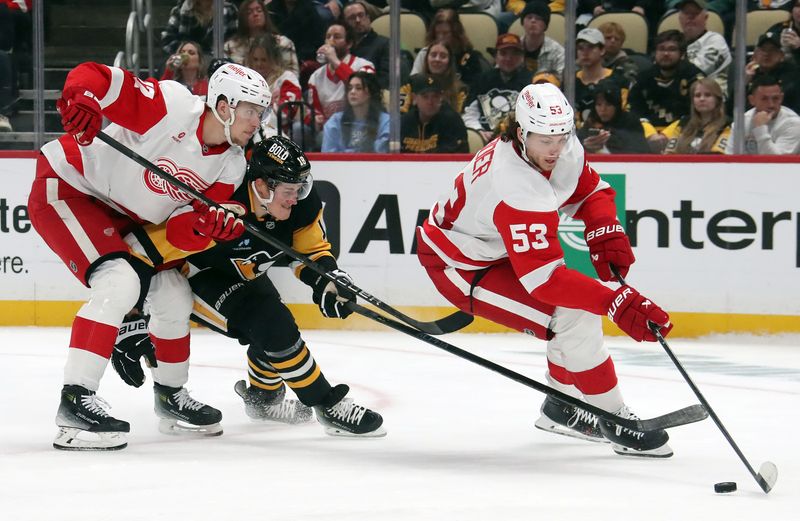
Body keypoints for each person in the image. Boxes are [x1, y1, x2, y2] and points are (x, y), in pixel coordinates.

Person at [416, 82, 675, 458]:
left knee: (573, 313)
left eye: (562, 136)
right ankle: (612, 416)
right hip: (461, 265)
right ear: (521, 133)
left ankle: (563, 406)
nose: (555, 149)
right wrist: (615, 301)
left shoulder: (554, 146)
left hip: (497, 248)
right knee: (575, 315)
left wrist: (606, 227)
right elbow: (546, 280)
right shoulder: (513, 183)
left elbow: (591, 190)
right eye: (544, 140)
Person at [27, 61, 272, 450]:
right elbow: (94, 76)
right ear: (223, 106)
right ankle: (74, 401)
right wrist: (81, 100)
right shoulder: (172, 105)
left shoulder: (231, 165)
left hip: (130, 220)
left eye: (261, 113)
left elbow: (176, 232)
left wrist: (207, 227)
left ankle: (170, 396)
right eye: (251, 111)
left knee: (174, 292)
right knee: (119, 280)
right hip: (73, 186)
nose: (256, 121)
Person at [112, 137, 386, 437]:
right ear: (262, 187)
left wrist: (328, 280)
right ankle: (327, 404)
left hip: (244, 275)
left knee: (274, 329)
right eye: (288, 192)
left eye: (299, 190)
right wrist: (130, 314)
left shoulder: (299, 203)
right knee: (271, 323)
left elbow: (311, 252)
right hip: (197, 274)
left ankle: (263, 400)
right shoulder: (222, 199)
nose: (295, 199)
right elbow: (141, 249)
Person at [628, 30, 705, 153]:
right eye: (661, 49)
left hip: (686, 134)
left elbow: (699, 112)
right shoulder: (642, 78)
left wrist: (668, 135)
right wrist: (651, 134)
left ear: (682, 54)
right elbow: (633, 110)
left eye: (672, 49)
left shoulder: (694, 77)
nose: (666, 53)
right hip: (647, 136)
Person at [307, 23, 375, 133]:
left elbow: (363, 89)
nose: (330, 41)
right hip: (330, 128)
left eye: (337, 37)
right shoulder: (316, 76)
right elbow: (314, 109)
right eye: (328, 37)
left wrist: (335, 61)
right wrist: (316, 118)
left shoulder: (365, 66)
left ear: (349, 44)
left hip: (360, 124)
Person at [462, 33, 530, 144]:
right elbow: (469, 113)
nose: (508, 58)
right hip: (485, 140)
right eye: (503, 53)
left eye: (514, 54)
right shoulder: (481, 80)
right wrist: (478, 131)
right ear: (495, 56)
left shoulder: (530, 82)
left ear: (522, 58)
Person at [410, 8, 489, 87]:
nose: (440, 37)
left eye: (445, 33)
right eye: (437, 33)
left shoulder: (470, 57)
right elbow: (414, 81)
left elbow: (475, 87)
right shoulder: (425, 53)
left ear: (456, 33)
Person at [725, 74, 800, 155]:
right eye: (764, 99)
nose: (771, 104)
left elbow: (776, 162)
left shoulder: (793, 123)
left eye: (775, 98)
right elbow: (730, 157)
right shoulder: (742, 121)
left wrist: (760, 129)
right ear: (752, 100)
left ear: (781, 98)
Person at [245, 34, 302, 138]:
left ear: (274, 59)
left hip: (280, 134)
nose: (259, 64)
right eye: (255, 59)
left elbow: (284, 114)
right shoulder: (246, 80)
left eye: (264, 60)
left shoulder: (287, 79)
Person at [225, 0, 299, 75]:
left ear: (265, 14)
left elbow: (292, 75)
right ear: (242, 18)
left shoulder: (283, 43)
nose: (255, 14)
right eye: (249, 12)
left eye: (259, 10)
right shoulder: (230, 47)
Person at [574, 27, 629, 127]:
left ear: (602, 50)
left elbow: (623, 114)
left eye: (590, 47)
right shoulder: (570, 81)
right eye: (581, 48)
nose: (585, 52)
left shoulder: (618, 79)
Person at [322, 70, 389, 152]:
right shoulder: (335, 121)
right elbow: (328, 155)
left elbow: (382, 151)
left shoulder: (385, 121)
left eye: (358, 88)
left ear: (370, 93)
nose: (352, 92)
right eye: (350, 88)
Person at [401, 73, 469, 153]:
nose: (430, 102)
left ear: (441, 98)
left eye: (435, 96)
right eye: (425, 96)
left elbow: (454, 157)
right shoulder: (405, 122)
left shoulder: (452, 121)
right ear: (414, 98)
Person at [661, 77, 730, 154]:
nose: (702, 99)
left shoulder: (727, 125)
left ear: (717, 100)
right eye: (697, 95)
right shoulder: (683, 123)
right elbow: (669, 154)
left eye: (707, 95)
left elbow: (718, 156)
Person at [577, 86, 650, 154]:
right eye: (599, 105)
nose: (603, 109)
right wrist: (586, 146)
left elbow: (642, 149)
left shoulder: (630, 121)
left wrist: (611, 140)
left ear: (617, 106)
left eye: (608, 105)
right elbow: (576, 146)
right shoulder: (592, 121)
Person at [677, 0, 731, 93]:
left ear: (706, 17)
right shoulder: (675, 41)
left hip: (713, 99)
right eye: (686, 13)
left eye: (695, 13)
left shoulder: (715, 41)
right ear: (679, 18)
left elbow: (694, 72)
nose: (690, 17)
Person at [401, 41, 468, 114]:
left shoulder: (460, 89)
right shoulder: (409, 83)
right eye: (433, 55)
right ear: (427, 59)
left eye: (443, 56)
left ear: (449, 61)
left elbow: (457, 120)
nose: (437, 59)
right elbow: (399, 115)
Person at [743, 31, 800, 114]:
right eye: (763, 49)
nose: (767, 54)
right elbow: (731, 109)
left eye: (773, 50)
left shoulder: (792, 75)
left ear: (782, 56)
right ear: (754, 55)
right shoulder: (750, 74)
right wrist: (743, 84)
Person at [343, 1, 394, 89]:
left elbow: (387, 79)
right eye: (352, 18)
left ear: (368, 18)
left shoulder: (385, 44)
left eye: (361, 15)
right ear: (345, 23)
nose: (358, 20)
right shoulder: (342, 48)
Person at [161, 0, 239, 55]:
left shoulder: (229, 9)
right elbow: (167, 40)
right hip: (187, 63)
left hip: (220, 59)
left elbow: (236, 38)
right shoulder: (179, 11)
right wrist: (185, 51)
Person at [517, 2, 565, 82]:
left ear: (545, 25)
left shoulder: (558, 51)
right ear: (522, 22)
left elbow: (562, 78)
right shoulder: (513, 46)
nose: (533, 21)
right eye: (529, 17)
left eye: (538, 18)